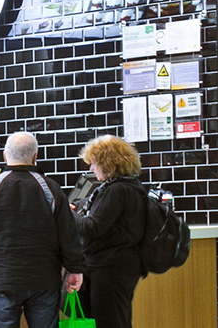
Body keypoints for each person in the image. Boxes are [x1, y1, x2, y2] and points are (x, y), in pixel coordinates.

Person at [0, 131, 85, 328]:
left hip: (2, 279)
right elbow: (68, 234)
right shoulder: (50, 188)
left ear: (5, 156)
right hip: (44, 280)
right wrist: (75, 268)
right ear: (35, 156)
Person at [73, 135, 146, 328]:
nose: (91, 169)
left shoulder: (117, 190)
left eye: (94, 163)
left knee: (109, 321)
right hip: (119, 267)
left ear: (107, 163)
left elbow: (92, 228)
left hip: (111, 268)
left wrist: (67, 214)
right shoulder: (130, 187)